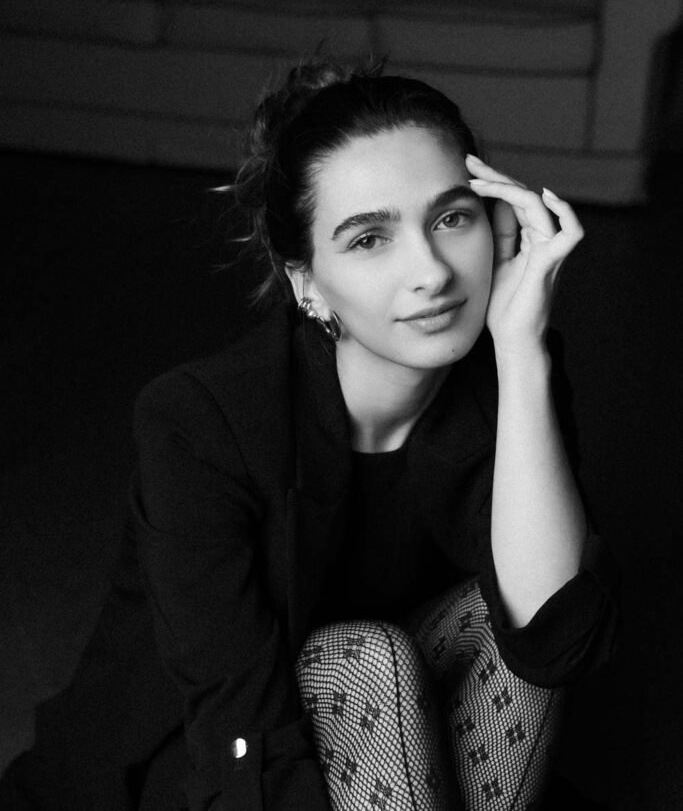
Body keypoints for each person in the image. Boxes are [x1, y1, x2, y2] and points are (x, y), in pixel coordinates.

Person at [2, 58, 617, 811]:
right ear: (305, 282)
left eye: (451, 218)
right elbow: (236, 725)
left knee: (499, 615)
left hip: (402, 740)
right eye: (369, 239)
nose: (430, 272)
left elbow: (553, 643)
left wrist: (521, 351)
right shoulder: (200, 423)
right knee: (363, 658)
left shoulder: (513, 373)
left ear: (495, 221)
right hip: (212, 758)